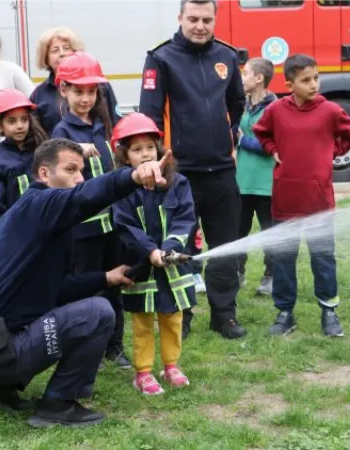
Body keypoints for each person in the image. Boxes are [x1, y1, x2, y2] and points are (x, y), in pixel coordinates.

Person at [0, 138, 171, 427]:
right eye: (70, 169)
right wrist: (132, 175)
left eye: (81, 171)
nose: (79, 178)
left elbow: (56, 289)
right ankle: (58, 404)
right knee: (99, 312)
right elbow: (84, 197)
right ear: (44, 174)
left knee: (88, 305)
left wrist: (107, 277)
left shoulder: (35, 216)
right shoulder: (41, 203)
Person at [139, 0, 246, 339]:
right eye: (194, 19)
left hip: (222, 172)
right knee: (178, 248)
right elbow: (150, 116)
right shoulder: (160, 58)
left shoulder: (227, 57)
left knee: (226, 246)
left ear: (215, 20)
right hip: (179, 174)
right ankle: (180, 316)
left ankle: (224, 315)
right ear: (180, 18)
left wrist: (224, 139)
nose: (200, 26)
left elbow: (237, 105)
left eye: (207, 20)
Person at [252, 54, 350, 337]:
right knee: (284, 259)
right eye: (306, 80)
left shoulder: (330, 111)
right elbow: (260, 132)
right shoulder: (276, 110)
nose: (314, 85)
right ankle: (285, 312)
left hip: (319, 204)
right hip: (285, 200)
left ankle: (329, 310)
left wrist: (331, 153)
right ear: (290, 84)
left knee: (323, 258)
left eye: (316, 78)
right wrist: (272, 149)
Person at [51, 52, 129, 369]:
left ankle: (115, 345)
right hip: (82, 230)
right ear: (64, 91)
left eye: (91, 91)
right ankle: (85, 349)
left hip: (111, 224)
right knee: (86, 288)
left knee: (115, 284)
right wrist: (72, 151)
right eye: (78, 91)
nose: (85, 98)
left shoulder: (101, 125)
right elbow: (59, 174)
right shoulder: (61, 130)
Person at [112, 113, 196, 395]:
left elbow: (185, 218)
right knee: (143, 321)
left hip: (172, 266)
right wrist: (149, 251)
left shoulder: (178, 183)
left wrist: (170, 248)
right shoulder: (123, 190)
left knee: (173, 318)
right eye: (136, 150)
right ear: (125, 158)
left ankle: (171, 366)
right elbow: (125, 226)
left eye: (149, 146)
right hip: (141, 266)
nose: (145, 153)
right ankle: (144, 372)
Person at [30, 27, 121, 134]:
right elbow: (35, 136)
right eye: (55, 50)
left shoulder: (101, 85)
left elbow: (116, 122)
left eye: (66, 48)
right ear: (45, 58)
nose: (62, 53)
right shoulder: (39, 94)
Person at [236, 57, 277, 296]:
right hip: (241, 182)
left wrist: (243, 140)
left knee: (269, 233)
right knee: (237, 231)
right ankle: (237, 273)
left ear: (259, 78)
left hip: (266, 184)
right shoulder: (241, 104)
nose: (242, 79)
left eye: (246, 74)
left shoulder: (275, 108)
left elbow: (270, 144)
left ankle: (271, 276)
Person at [0, 89, 48, 232]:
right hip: (17, 234)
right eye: (12, 121)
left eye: (24, 119)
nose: (20, 126)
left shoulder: (36, 153)